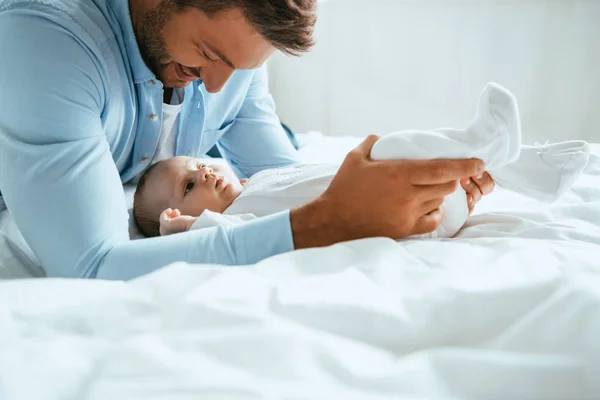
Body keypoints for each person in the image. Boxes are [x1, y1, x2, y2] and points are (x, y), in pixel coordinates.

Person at [0, 0, 493, 281]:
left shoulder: (230, 56)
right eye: (207, 54)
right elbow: (90, 267)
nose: (215, 87)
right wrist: (325, 224)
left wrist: (411, 200)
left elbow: (287, 183)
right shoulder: (44, 41)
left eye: (238, 69)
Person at [132, 82, 591, 238]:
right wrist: (182, 228)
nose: (204, 171)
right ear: (177, 214)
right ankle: (483, 141)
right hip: (410, 221)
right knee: (382, 148)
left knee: (457, 167)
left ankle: (534, 170)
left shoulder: (259, 182)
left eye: (197, 163)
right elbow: (217, 237)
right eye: (189, 186)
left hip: (425, 204)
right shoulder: (238, 219)